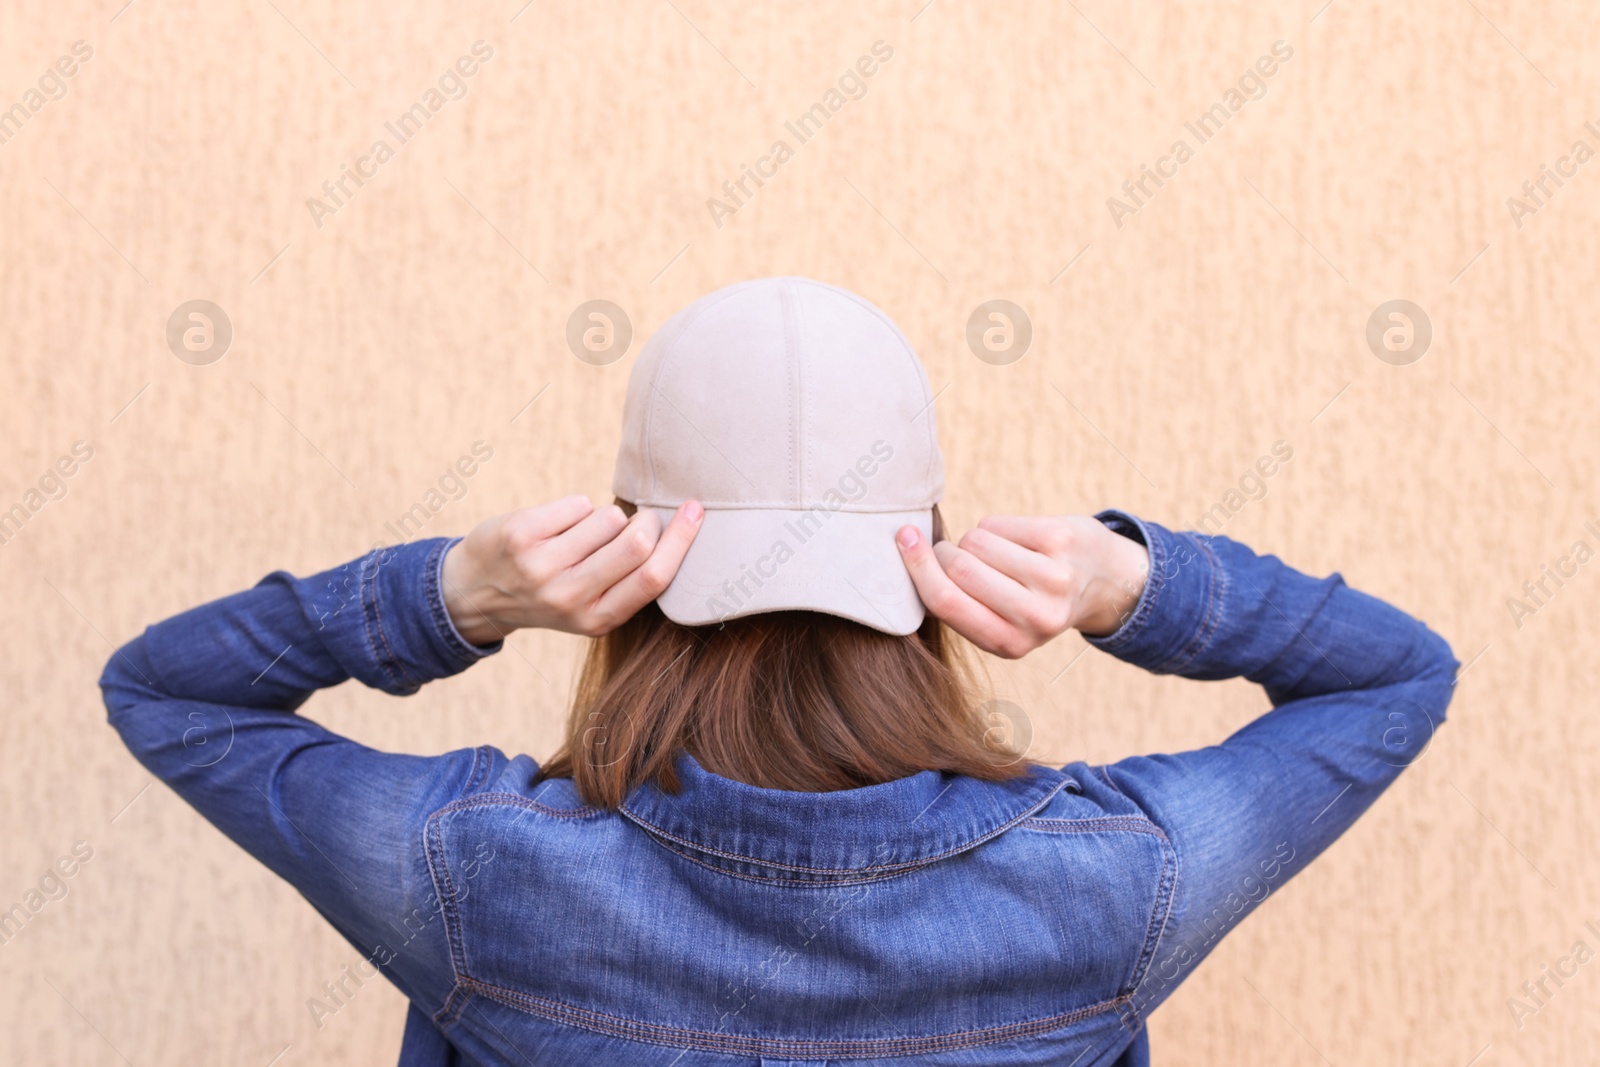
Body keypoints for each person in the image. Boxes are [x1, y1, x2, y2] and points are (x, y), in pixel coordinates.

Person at [102, 277, 1457, 1065]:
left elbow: (169, 692)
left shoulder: (475, 873)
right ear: (919, 557)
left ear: (629, 566)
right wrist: (1132, 583)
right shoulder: (1117, 883)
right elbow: (1393, 679)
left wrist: (451, 595)